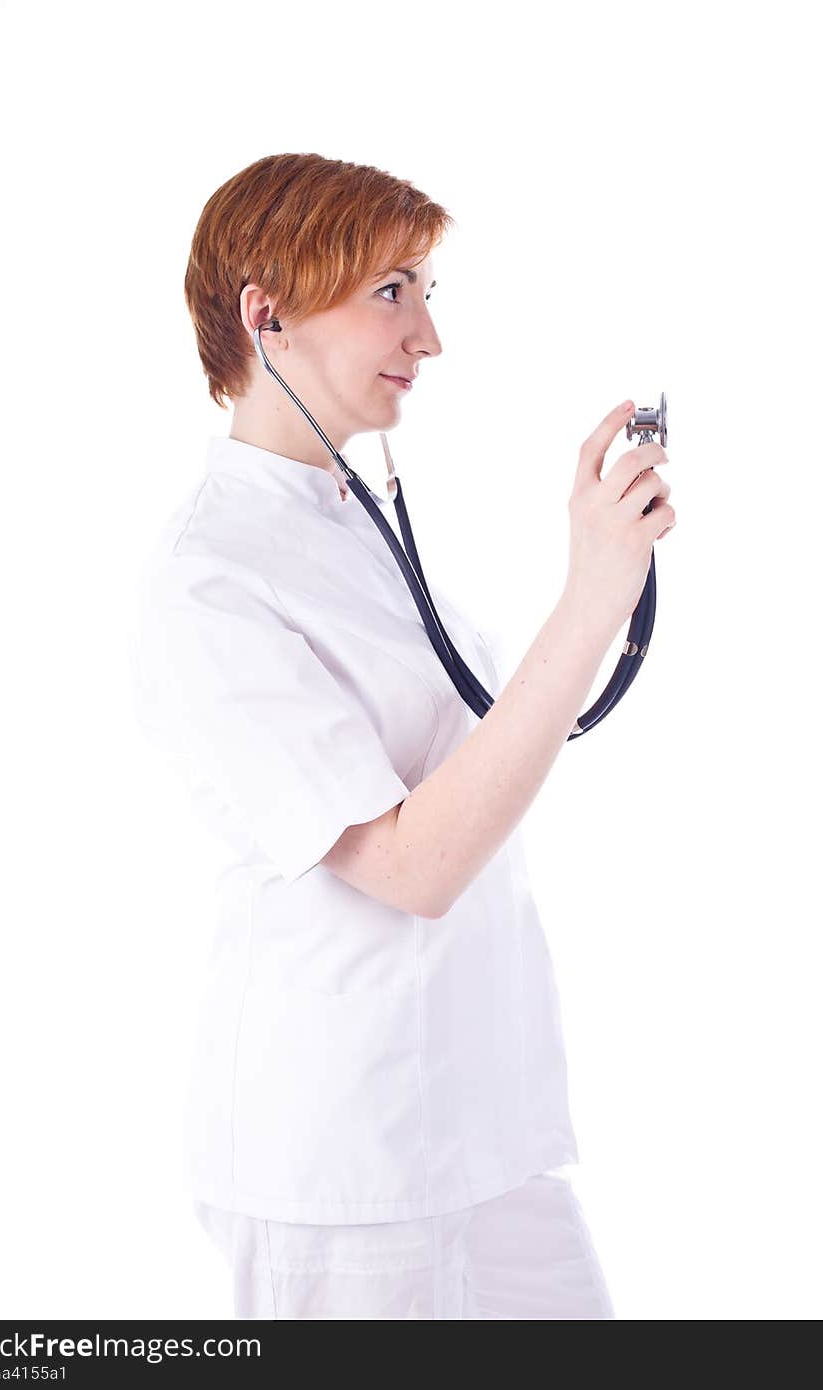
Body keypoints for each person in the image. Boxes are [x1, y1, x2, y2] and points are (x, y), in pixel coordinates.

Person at [130, 152, 675, 1320]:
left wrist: (604, 583)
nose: (427, 336)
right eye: (390, 290)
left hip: (482, 1124)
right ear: (264, 314)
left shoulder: (345, 522)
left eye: (427, 289)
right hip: (343, 1157)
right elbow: (411, 865)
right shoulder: (208, 580)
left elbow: (487, 749)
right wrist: (588, 598)